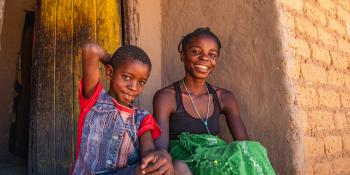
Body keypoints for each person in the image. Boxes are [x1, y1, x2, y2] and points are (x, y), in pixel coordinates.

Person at [153, 28, 275, 175]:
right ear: (182, 55)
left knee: (252, 149)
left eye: (212, 54)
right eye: (196, 51)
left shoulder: (224, 97)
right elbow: (160, 147)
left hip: (217, 160)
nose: (205, 58)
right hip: (186, 162)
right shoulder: (167, 97)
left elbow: (244, 146)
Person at [72, 43, 174, 175]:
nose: (134, 87)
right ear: (109, 72)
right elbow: (90, 50)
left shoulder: (142, 118)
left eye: (141, 82)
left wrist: (158, 158)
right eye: (127, 77)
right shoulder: (94, 100)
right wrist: (115, 62)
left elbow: (148, 152)